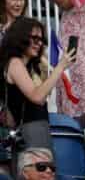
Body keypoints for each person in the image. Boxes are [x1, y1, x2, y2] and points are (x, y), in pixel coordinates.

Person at [0, 17, 75, 151]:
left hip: (36, 127)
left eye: (41, 40)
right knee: (38, 169)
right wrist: (60, 66)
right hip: (30, 129)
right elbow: (37, 97)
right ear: (20, 37)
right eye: (34, 38)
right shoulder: (15, 63)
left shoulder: (27, 66)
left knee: (44, 170)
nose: (39, 43)